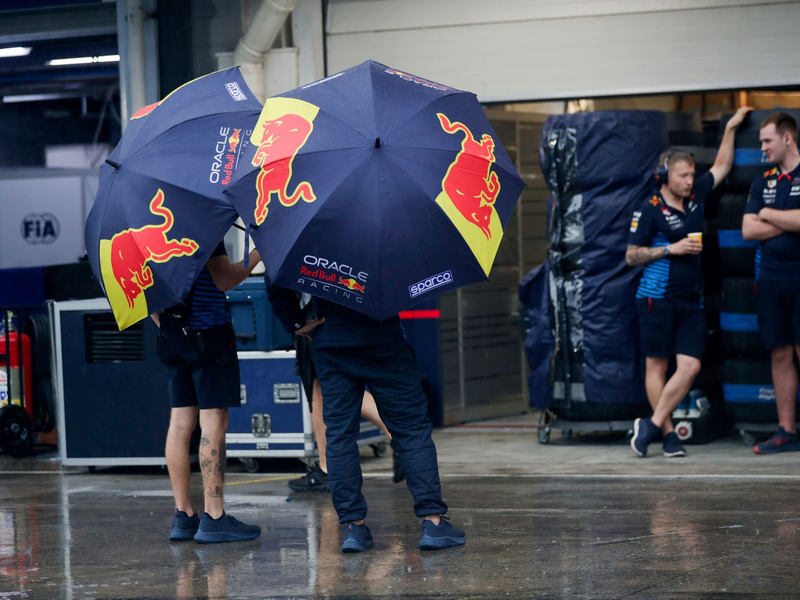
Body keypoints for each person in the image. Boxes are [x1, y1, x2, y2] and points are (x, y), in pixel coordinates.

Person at [267, 286, 465, 553]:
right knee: (411, 430)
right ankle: (433, 521)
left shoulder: (308, 243)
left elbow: (275, 279)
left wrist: (295, 321)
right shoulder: (391, 241)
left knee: (339, 434)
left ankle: (353, 527)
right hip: (383, 335)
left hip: (330, 335)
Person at [627, 106, 752, 458]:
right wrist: (671, 248)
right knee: (658, 366)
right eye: (682, 175)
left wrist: (729, 128)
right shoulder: (649, 208)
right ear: (666, 176)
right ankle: (667, 435)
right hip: (656, 297)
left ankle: (650, 425)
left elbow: (723, 167)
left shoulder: (696, 195)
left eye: (690, 174)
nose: (688, 180)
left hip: (690, 299)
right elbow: (631, 256)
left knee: (691, 365)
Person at [154, 240, 263, 543]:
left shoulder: (146, 230)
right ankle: (215, 517)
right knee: (212, 425)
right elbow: (224, 278)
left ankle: (183, 515)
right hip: (210, 335)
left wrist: (167, 324)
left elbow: (143, 292)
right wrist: (260, 252)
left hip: (171, 335)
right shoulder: (199, 225)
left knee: (179, 425)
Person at [742, 112, 800, 454]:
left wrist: (767, 214)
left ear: (787, 138)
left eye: (767, 141)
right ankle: (786, 431)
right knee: (779, 353)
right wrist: (789, 221)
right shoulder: (761, 179)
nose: (762, 147)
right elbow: (748, 230)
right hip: (771, 279)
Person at [286, 330, 404, 493]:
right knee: (340, 388)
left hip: (314, 324)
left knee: (319, 388)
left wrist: (296, 322)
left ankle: (327, 468)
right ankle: (403, 438)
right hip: (341, 324)